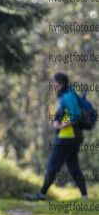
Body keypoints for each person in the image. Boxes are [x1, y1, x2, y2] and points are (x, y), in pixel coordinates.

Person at [25, 72, 87, 201]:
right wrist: (55, 121)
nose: (52, 85)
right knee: (74, 167)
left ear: (61, 83)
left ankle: (41, 194)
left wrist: (61, 126)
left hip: (66, 138)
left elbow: (76, 115)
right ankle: (85, 196)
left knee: (52, 166)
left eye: (54, 82)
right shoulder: (66, 95)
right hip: (72, 137)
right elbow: (65, 113)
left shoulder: (68, 96)